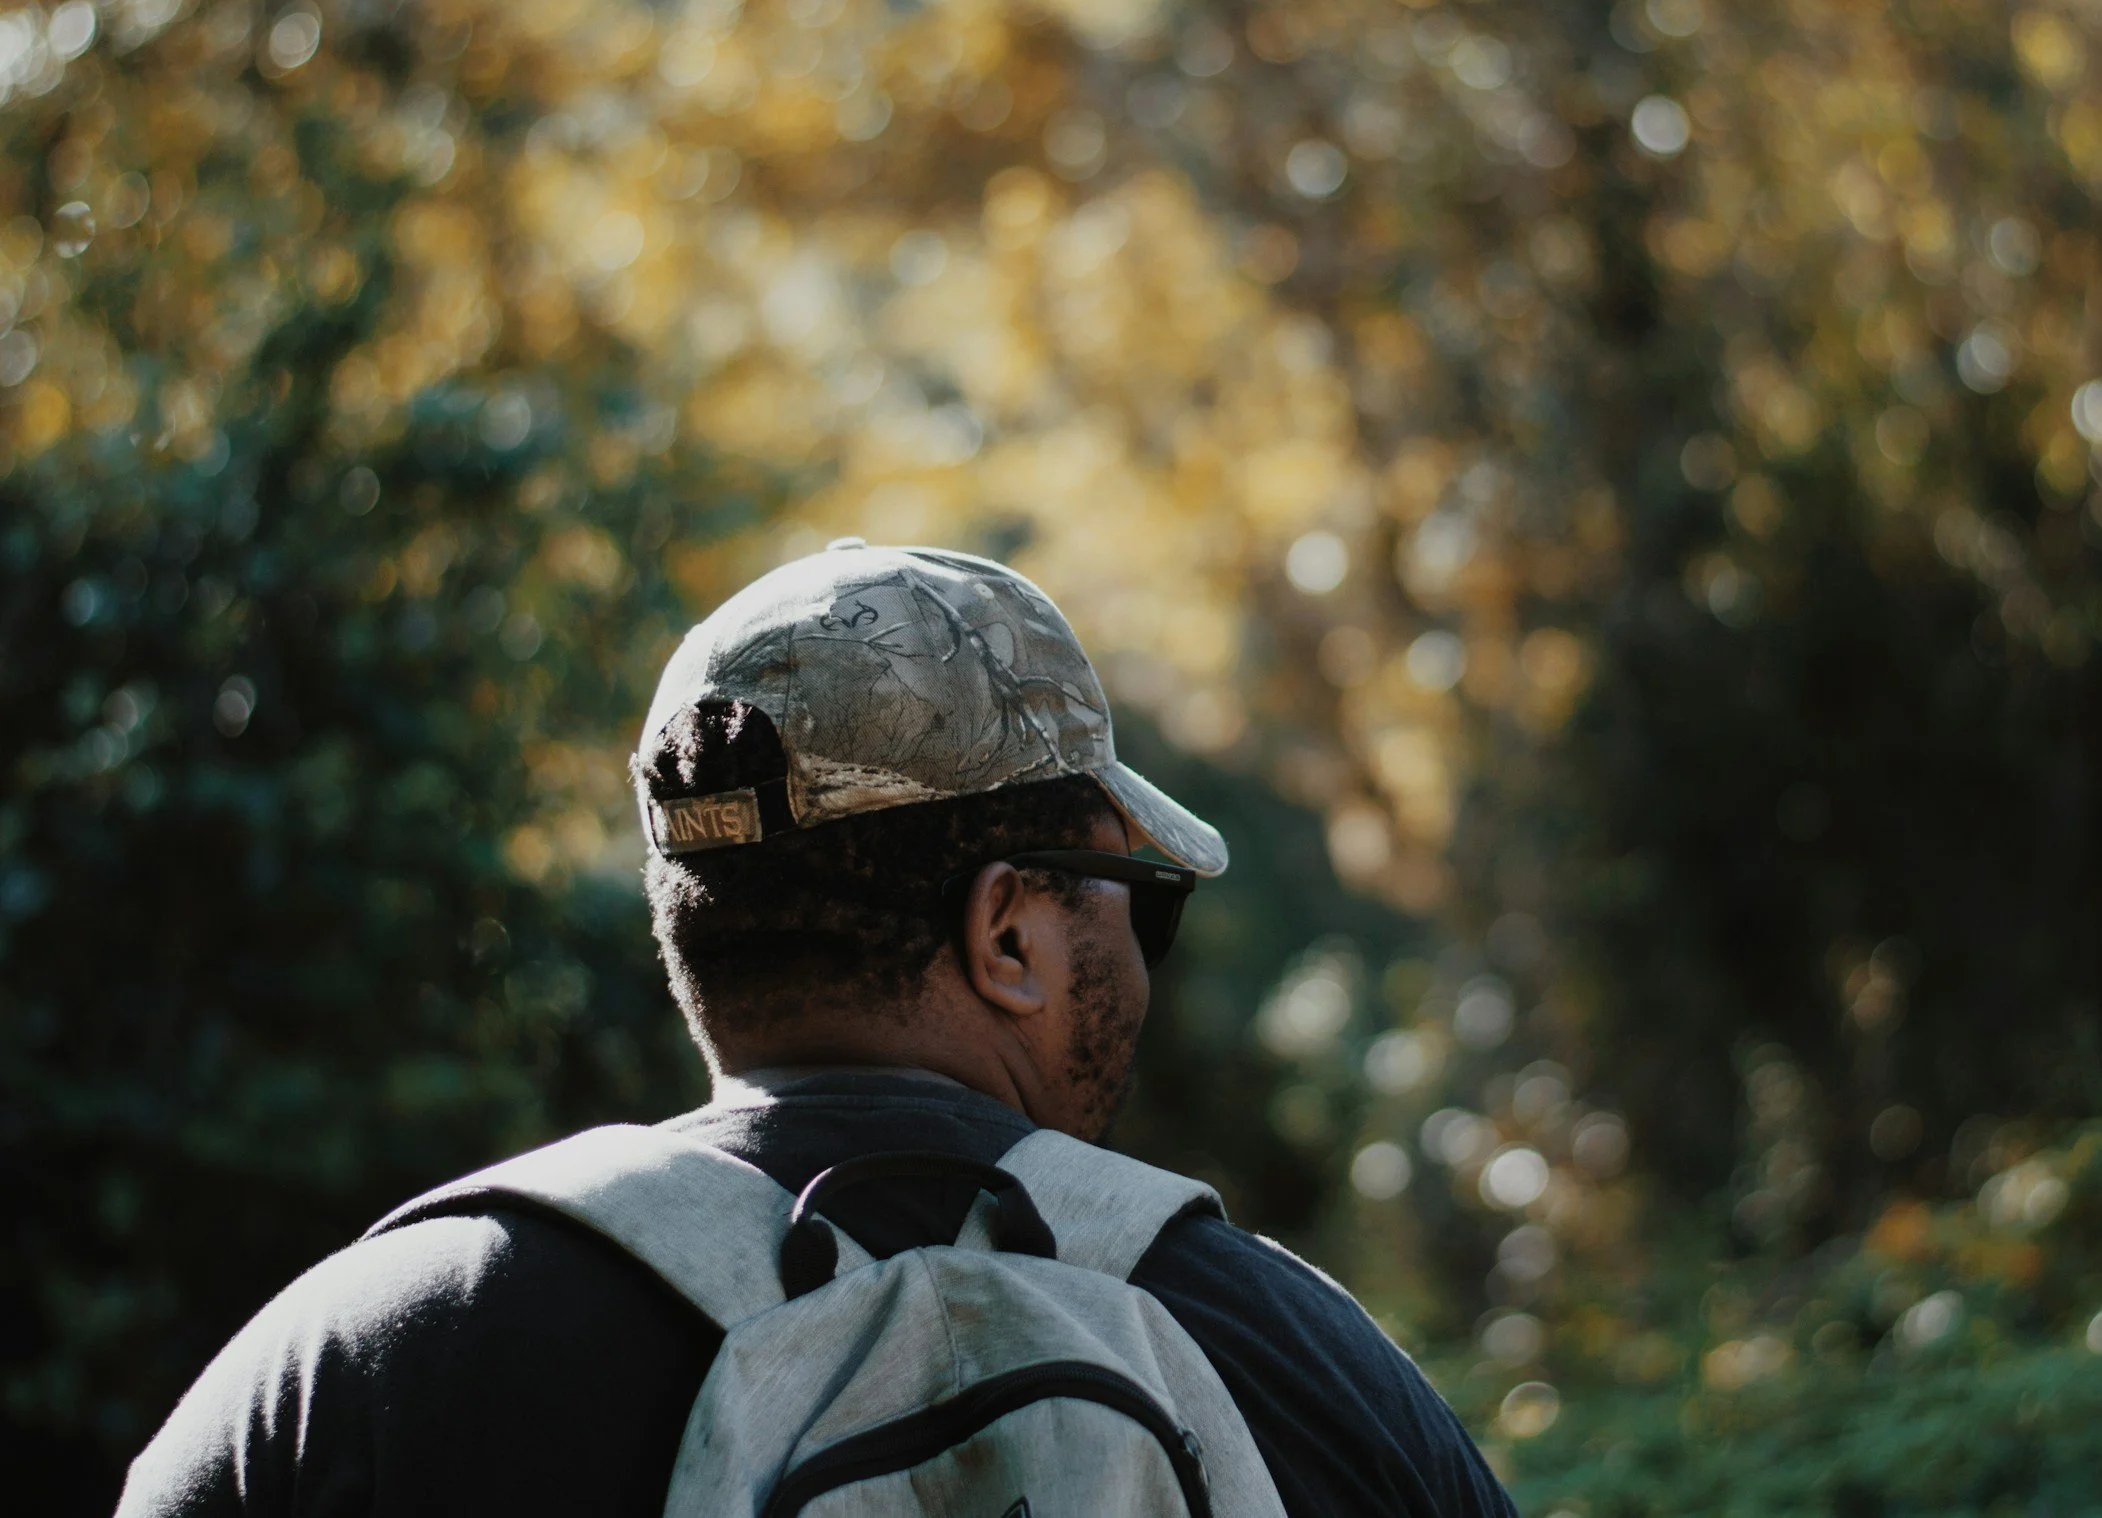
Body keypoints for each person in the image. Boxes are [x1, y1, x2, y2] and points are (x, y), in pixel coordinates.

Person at [117, 540, 1518, 1517]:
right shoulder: (1293, 1356)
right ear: (1009, 932)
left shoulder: (349, 1369)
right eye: (1134, 904)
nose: (1139, 964)